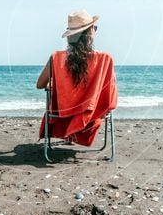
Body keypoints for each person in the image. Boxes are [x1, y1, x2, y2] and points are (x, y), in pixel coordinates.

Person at [36, 10, 117, 147]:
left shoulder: (56, 58)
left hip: (63, 114)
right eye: (94, 29)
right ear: (90, 34)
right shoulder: (105, 59)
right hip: (92, 113)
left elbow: (39, 84)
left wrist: (58, 84)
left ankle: (70, 128)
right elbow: (109, 91)